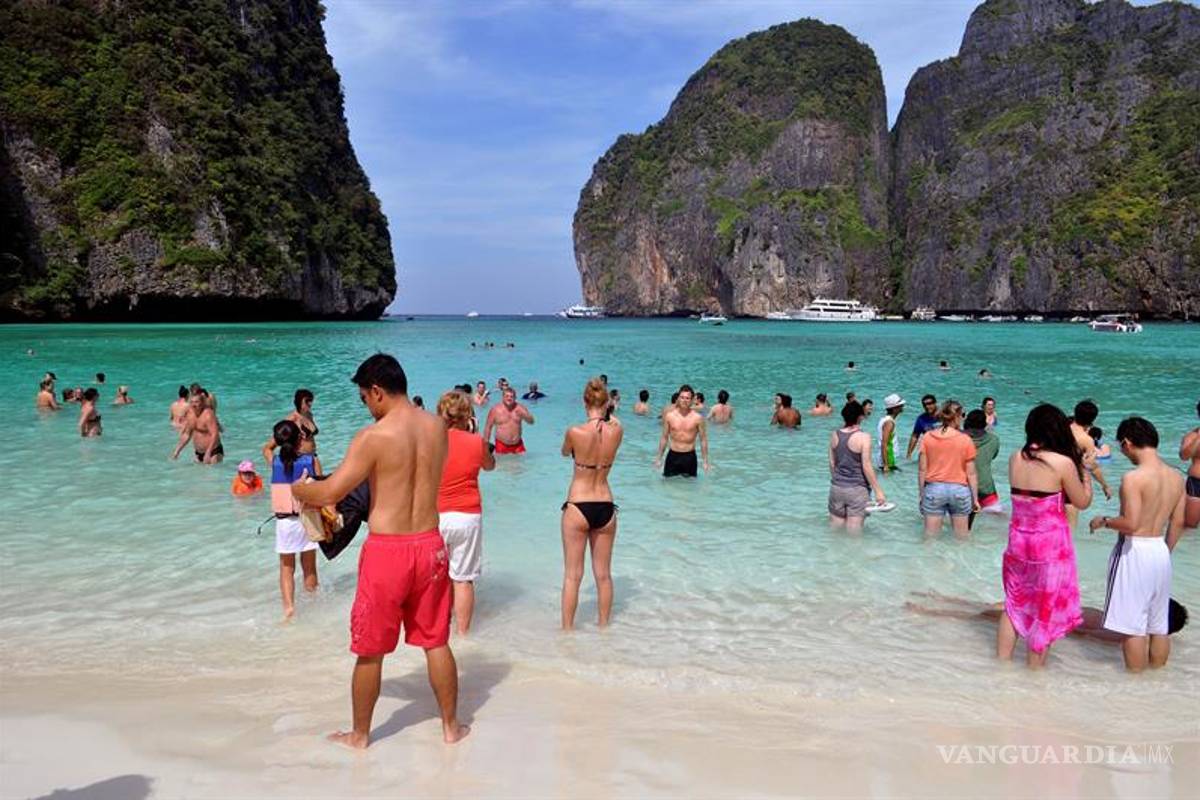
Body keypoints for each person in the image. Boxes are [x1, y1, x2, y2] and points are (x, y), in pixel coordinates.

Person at [290, 353, 469, 748]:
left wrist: (301, 489)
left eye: (364, 400)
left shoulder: (374, 437)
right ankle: (451, 728)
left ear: (377, 391)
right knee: (436, 641)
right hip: (431, 546)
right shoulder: (438, 427)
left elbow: (332, 491)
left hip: (389, 551)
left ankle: (359, 735)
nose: (366, 408)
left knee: (370, 650)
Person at [998, 403, 1093, 668]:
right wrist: (1085, 472)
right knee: (1044, 609)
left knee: (1013, 604)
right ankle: (1034, 673)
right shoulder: (1061, 463)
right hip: (1049, 546)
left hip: (1018, 540)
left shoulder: (1015, 457)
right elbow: (1082, 502)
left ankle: (1001, 665)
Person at [1089, 417, 1186, 671]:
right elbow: (1178, 522)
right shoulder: (1176, 477)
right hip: (1160, 551)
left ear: (1127, 443)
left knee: (1132, 626)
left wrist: (1104, 521)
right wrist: (1165, 549)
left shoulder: (1134, 478)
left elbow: (1130, 523)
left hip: (1134, 550)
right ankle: (1156, 681)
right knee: (1158, 625)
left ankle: (1135, 682)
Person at [560, 378, 623, 629]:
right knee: (604, 576)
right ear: (606, 402)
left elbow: (565, 452)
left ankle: (566, 633)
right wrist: (611, 411)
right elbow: (614, 423)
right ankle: (604, 629)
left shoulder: (575, 432)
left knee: (573, 576)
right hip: (606, 506)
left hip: (578, 505)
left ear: (584, 401)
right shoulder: (617, 431)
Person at [907, 591, 1188, 643]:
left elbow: (1087, 631)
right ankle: (932, 608)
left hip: (1058, 608)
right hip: (1057, 616)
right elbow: (1084, 634)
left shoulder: (1126, 623)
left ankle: (936, 603)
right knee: (984, 616)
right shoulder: (1127, 633)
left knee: (991, 610)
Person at [437, 390, 495, 636]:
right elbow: (490, 465)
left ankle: (440, 629)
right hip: (468, 514)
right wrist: (474, 434)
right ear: (467, 415)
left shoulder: (431, 441)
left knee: (440, 577)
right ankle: (463, 634)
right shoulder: (476, 442)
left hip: (436, 514)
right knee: (463, 579)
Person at [269, 421, 321, 619]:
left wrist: (282, 435)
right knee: (309, 567)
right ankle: (313, 603)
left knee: (286, 568)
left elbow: (266, 447)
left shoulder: (274, 461)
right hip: (307, 519)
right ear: (300, 439)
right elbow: (321, 488)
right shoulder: (311, 461)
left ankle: (289, 608)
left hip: (285, 523)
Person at [917, 400, 978, 537]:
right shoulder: (965, 440)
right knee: (962, 538)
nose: (963, 418)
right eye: (962, 415)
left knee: (930, 538)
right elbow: (971, 473)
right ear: (957, 416)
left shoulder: (927, 437)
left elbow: (922, 470)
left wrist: (921, 494)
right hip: (959, 490)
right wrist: (975, 499)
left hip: (934, 489)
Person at [828, 401, 887, 531]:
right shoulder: (864, 437)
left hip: (836, 488)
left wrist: (839, 481)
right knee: (854, 535)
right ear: (860, 417)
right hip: (857, 490)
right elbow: (866, 466)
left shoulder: (834, 435)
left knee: (835, 531)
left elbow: (832, 464)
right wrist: (878, 491)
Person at [1069, 400, 1113, 522]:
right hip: (1071, 483)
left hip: (1052, 479)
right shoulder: (1086, 439)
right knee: (1069, 528)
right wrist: (1105, 485)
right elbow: (1091, 466)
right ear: (1093, 419)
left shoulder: (1060, 430)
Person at [655, 385, 710, 476]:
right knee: (667, 485)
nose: (684, 400)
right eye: (682, 397)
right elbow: (664, 438)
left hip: (689, 457)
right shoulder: (670, 416)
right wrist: (659, 458)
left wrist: (705, 461)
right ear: (678, 399)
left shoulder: (698, 418)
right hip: (672, 456)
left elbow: (703, 440)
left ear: (692, 400)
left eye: (687, 398)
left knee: (690, 487)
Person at [263, 389, 320, 464]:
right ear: (299, 402)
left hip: (311, 457)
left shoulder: (309, 415)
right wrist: (275, 465)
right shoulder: (292, 419)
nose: (310, 403)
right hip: (299, 459)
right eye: (307, 401)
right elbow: (271, 445)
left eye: (311, 400)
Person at [964, 409, 1002, 514]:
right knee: (994, 523)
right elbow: (993, 456)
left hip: (963, 488)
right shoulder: (994, 440)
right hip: (987, 489)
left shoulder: (958, 439)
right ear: (984, 424)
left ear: (967, 423)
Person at [172, 391, 223, 463]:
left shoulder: (208, 415)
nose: (193, 404)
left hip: (213, 451)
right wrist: (177, 451)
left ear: (202, 403)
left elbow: (215, 434)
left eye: (196, 402)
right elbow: (187, 435)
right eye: (192, 402)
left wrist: (208, 452)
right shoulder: (190, 415)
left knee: (212, 473)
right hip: (198, 453)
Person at [483, 387, 535, 454]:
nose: (509, 398)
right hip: (501, 444)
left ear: (515, 398)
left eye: (511, 396)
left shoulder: (520, 409)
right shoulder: (495, 410)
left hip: (518, 444)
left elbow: (531, 422)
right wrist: (485, 445)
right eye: (507, 396)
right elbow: (488, 427)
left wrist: (526, 416)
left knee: (522, 464)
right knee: (502, 464)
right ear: (503, 397)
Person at [1180, 400, 1200, 529]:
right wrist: (1198, 438)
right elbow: (1184, 456)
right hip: (1197, 483)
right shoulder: (1191, 436)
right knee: (1190, 525)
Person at [876, 394, 904, 473]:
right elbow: (884, 444)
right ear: (894, 408)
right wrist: (886, 465)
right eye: (900, 405)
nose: (902, 406)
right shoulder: (889, 422)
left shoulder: (885, 420)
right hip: (888, 460)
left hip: (887, 459)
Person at [905, 394, 939, 460]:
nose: (927, 406)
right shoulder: (921, 419)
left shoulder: (945, 416)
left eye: (929, 404)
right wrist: (909, 454)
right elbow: (915, 436)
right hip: (930, 451)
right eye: (924, 405)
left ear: (935, 403)